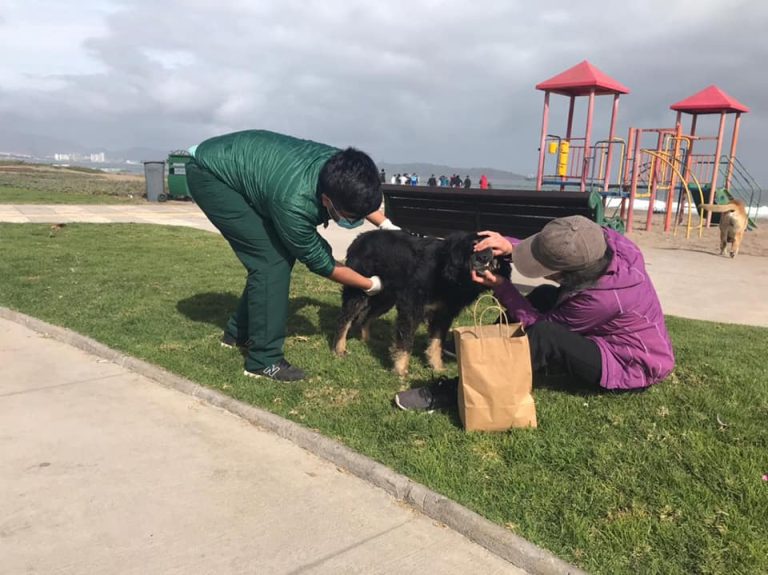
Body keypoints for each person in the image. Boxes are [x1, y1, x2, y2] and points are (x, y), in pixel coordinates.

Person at [395, 215, 675, 410]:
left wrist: (503, 288)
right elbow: (562, 246)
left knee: (544, 335)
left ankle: (460, 389)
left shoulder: (601, 300)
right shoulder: (603, 241)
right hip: (604, 329)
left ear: (567, 275)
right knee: (541, 295)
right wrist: (511, 245)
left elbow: (541, 328)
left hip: (629, 362)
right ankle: (484, 351)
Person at [185, 129, 400, 382]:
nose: (355, 221)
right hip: (211, 175)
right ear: (326, 199)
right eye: (350, 217)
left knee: (275, 258)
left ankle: (238, 332)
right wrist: (371, 285)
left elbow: (361, 202)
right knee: (270, 262)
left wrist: (388, 226)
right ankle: (263, 361)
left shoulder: (343, 165)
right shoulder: (294, 203)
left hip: (249, 164)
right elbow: (322, 262)